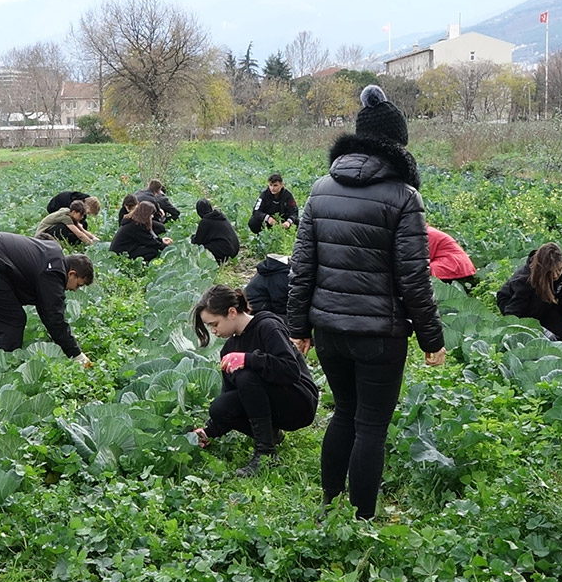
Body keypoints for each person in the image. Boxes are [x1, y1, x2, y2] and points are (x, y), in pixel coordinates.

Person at [287, 84, 446, 520]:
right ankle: (361, 519)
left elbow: (302, 267)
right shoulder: (403, 197)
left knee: (344, 414)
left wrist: (298, 327)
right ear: (398, 146)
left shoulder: (321, 189)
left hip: (329, 332)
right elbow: (415, 276)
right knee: (371, 426)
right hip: (380, 334)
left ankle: (328, 504)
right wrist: (432, 338)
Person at [191, 285, 318, 477]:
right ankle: (272, 435)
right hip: (273, 406)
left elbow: (291, 371)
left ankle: (265, 453)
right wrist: (209, 431)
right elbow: (232, 397)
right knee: (219, 407)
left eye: (214, 324)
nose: (213, 331)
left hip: (299, 403)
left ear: (232, 312)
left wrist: (249, 359)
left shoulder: (267, 326)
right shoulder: (229, 349)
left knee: (246, 375)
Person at [0, 232, 93, 361]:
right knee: (12, 321)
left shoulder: (47, 256)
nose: (75, 290)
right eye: (78, 285)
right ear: (71, 273)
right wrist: (76, 354)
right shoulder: (53, 271)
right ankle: (3, 370)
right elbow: (53, 316)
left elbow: (46, 309)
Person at [496, 242, 562, 341]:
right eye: (550, 273)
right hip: (515, 303)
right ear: (542, 269)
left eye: (559, 270)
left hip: (545, 302)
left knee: (561, 334)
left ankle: (541, 323)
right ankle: (535, 326)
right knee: (542, 337)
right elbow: (513, 313)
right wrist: (534, 329)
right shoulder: (525, 280)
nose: (556, 275)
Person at [190, 198, 240, 264]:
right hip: (234, 248)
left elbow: (198, 241)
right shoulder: (220, 216)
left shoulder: (206, 221)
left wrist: (191, 238)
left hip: (226, 250)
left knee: (201, 248)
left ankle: (219, 260)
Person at [245, 254, 290, 318]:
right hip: (256, 311)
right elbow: (280, 305)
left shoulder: (275, 268)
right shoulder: (280, 276)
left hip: (253, 306)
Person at [35, 200, 99, 246]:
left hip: (50, 230)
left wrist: (93, 237)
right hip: (43, 234)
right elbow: (79, 234)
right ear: (74, 212)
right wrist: (91, 244)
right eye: (81, 215)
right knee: (63, 228)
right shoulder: (66, 218)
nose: (82, 217)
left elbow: (81, 229)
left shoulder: (70, 213)